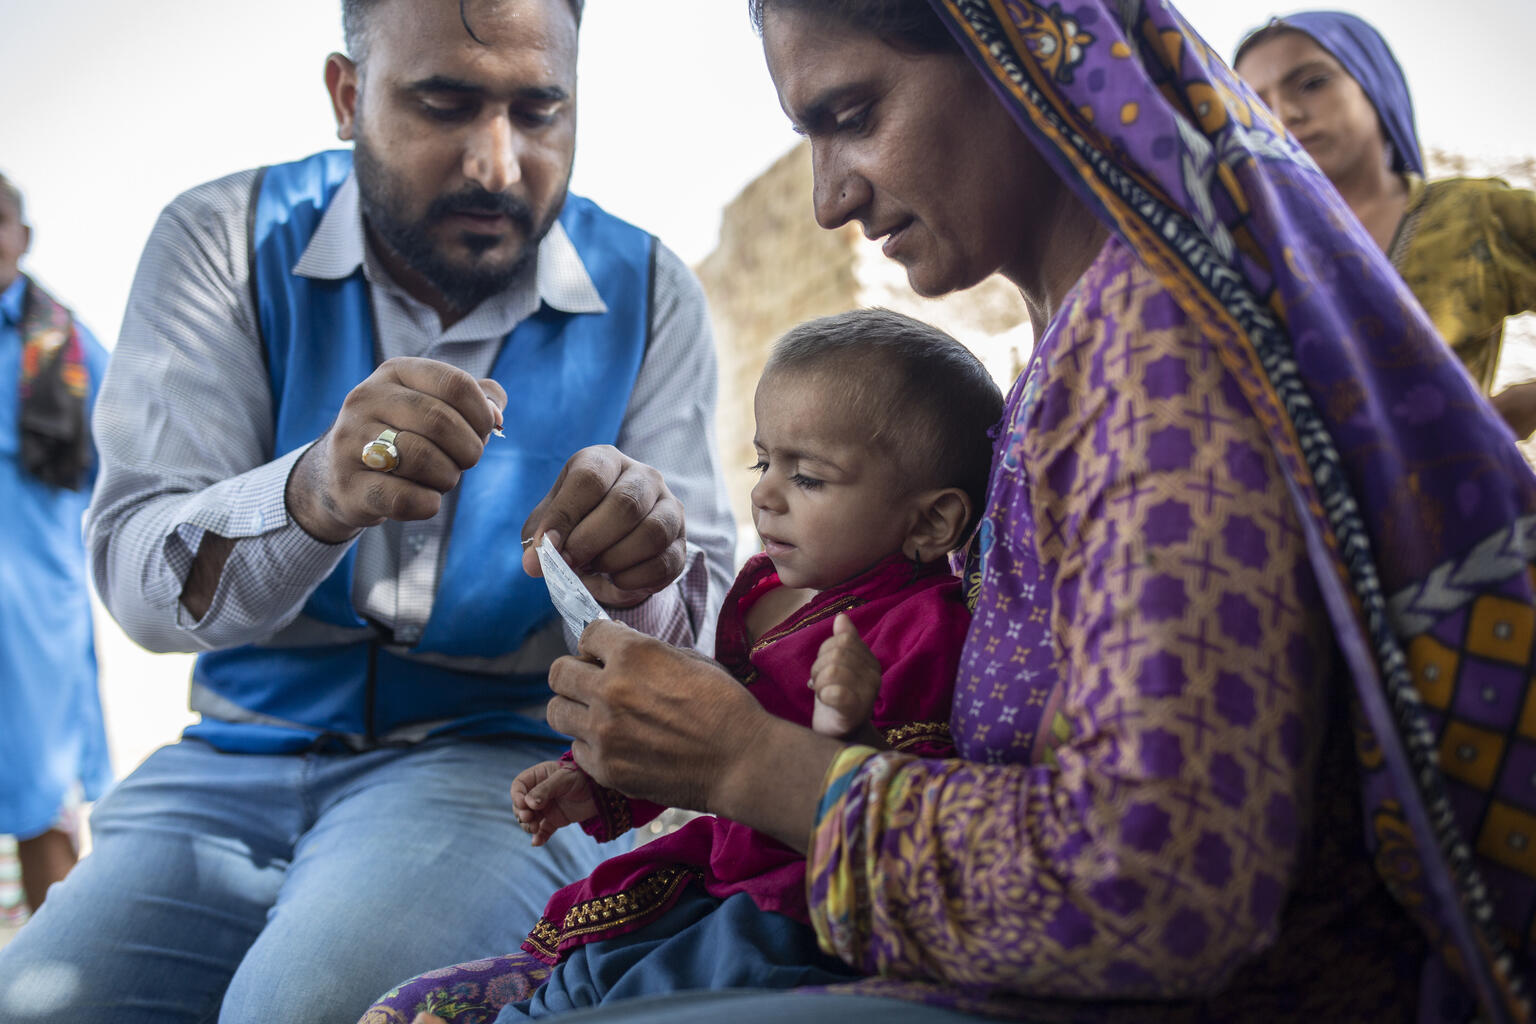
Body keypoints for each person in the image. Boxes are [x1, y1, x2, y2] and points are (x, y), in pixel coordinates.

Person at [371, 0, 1536, 1021]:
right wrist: (679, 635)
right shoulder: (1065, 348)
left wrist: (750, 764)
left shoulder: (1157, 357)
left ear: (1014, 50)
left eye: (852, 114)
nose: (832, 197)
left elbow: (1159, 888)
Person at [0, 1, 737, 1022]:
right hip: (233, 755)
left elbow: (707, 633)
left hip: (502, 777)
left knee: (311, 1007)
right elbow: (138, 577)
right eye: (446, 103)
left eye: (540, 111)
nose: (497, 161)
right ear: (347, 95)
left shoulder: (652, 293)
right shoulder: (223, 242)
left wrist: (643, 586)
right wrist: (312, 495)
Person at [366, 308, 1002, 1020]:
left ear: (930, 522)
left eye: (810, 478)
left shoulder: (926, 626)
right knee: (590, 969)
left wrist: (851, 727)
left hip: (794, 905)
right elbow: (694, 738)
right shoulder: (767, 590)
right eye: (765, 463)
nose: (764, 494)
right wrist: (595, 787)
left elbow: (916, 803)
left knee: (658, 984)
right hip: (718, 869)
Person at [1233, 11, 1536, 440]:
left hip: (1450, 498)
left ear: (1374, 84)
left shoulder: (1473, 214)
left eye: (1313, 83)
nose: (1286, 113)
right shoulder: (1247, 246)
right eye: (1255, 103)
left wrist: (1520, 406)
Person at [0, 172, 112, 920]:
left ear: (22, 236)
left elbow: (129, 472)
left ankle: (54, 983)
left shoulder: (64, 344)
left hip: (34, 612)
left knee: (45, 794)